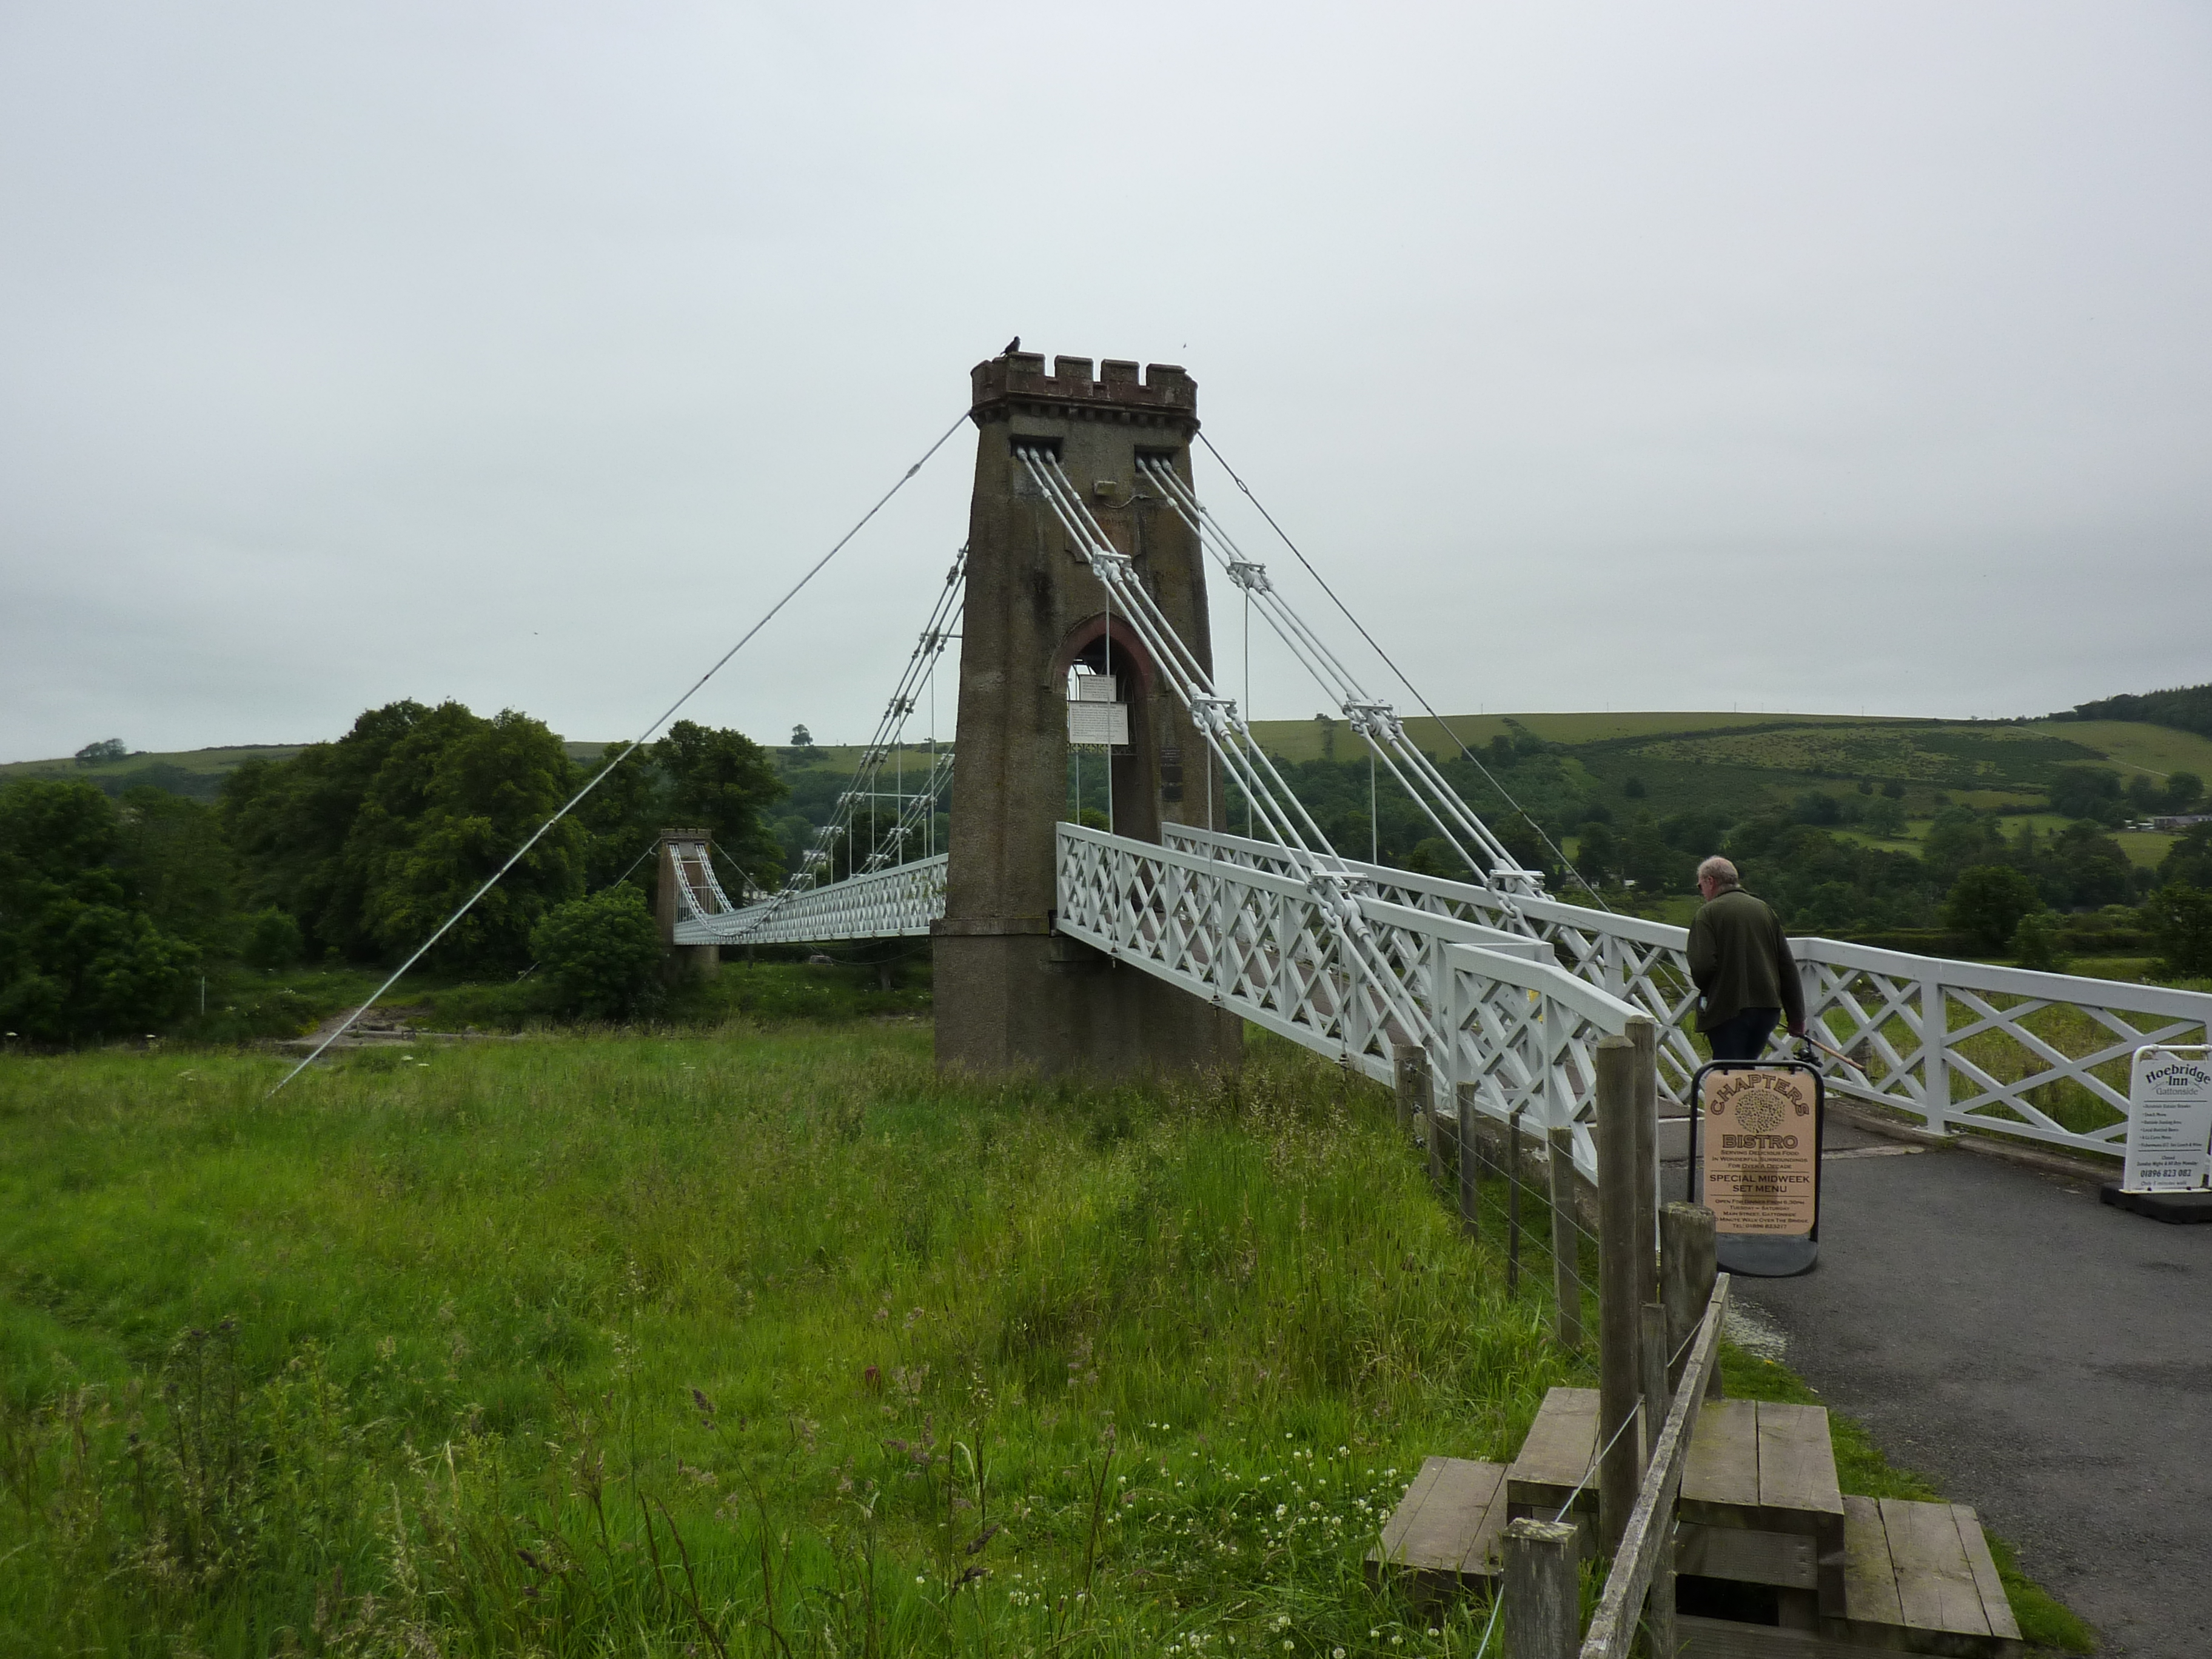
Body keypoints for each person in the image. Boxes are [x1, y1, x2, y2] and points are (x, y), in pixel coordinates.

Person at [1687, 855, 1805, 1061]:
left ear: (1710, 881)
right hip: (1768, 1010)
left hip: (1728, 1009)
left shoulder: (1707, 913)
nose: (1702, 892)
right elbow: (1787, 966)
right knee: (1747, 1070)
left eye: (1700, 886)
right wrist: (1796, 1017)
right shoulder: (1764, 910)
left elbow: (1702, 966)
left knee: (1728, 1075)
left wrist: (1709, 991)